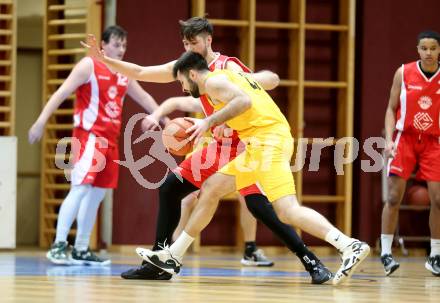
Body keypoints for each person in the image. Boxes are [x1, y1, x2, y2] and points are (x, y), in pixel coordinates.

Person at [83, 17, 333, 284]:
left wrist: (246, 80)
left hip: (246, 143)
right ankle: (159, 260)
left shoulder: (227, 66)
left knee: (259, 206)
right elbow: (142, 72)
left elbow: (271, 79)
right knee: (171, 187)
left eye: (194, 42)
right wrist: (104, 60)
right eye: (185, 42)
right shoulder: (187, 67)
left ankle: (311, 261)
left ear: (208, 40)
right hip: (219, 143)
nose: (189, 47)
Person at [135, 51, 371, 286]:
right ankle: (173, 255)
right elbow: (251, 98)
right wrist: (223, 123)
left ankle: (348, 245)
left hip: (268, 142)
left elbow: (244, 101)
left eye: (182, 81)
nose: (183, 87)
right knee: (212, 188)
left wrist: (209, 121)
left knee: (287, 210)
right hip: (258, 142)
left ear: (193, 74)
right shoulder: (228, 75)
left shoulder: (215, 81)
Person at [28, 25, 164, 265]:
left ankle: (81, 248)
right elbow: (61, 93)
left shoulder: (125, 73)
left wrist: (164, 116)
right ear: (103, 45)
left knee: (97, 195)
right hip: (88, 137)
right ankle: (58, 244)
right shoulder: (88, 65)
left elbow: (143, 97)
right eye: (116, 44)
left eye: (124, 45)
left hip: (110, 142)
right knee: (80, 188)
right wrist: (41, 121)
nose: (121, 49)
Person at [380, 30, 440, 277]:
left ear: (439, 51)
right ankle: (385, 253)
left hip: (433, 142)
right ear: (417, 49)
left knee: (438, 200)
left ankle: (435, 254)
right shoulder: (403, 72)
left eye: (433, 48)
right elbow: (391, 108)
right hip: (405, 139)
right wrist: (388, 140)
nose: (428, 52)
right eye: (423, 48)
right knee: (394, 198)